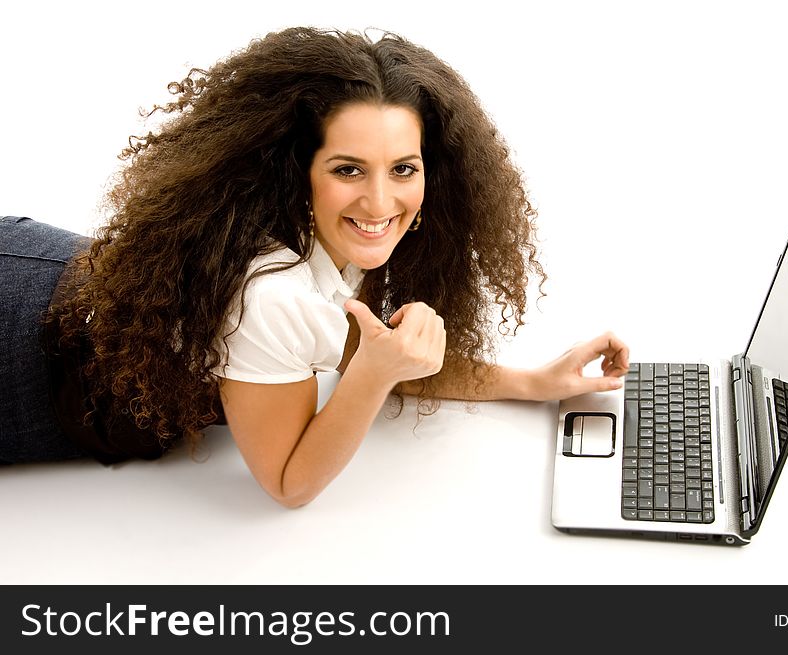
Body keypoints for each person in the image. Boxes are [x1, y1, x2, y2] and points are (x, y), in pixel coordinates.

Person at [0, 27, 629, 506]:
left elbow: (383, 356)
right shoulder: (271, 295)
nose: (381, 203)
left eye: (403, 169)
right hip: (24, 355)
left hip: (53, 280)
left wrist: (533, 382)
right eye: (348, 169)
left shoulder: (328, 236)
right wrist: (369, 377)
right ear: (297, 169)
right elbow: (287, 483)